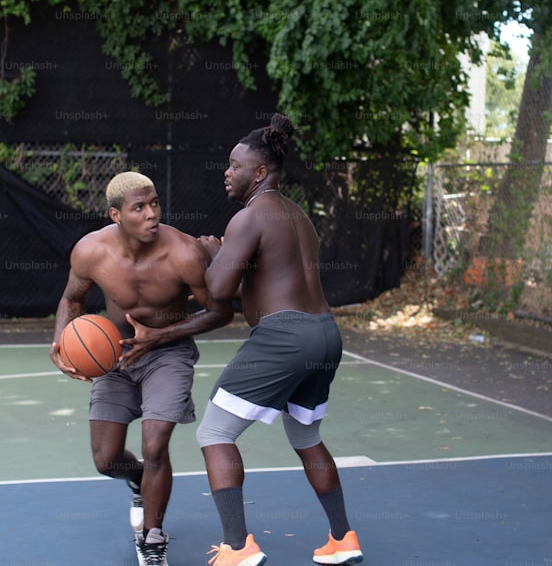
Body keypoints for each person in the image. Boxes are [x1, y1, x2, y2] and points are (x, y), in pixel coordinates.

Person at [196, 114, 363, 566]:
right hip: (326, 334)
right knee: (306, 436)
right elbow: (274, 273)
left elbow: (218, 290)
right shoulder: (299, 215)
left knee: (214, 431)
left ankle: (237, 547)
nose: (226, 172)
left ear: (260, 172)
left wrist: (215, 253)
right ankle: (342, 538)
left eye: (235, 165)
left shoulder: (248, 217)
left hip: (284, 336)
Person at [50, 171, 233, 566]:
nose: (152, 214)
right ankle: (136, 480)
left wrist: (160, 337)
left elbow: (221, 312)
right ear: (116, 215)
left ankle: (152, 539)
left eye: (155, 204)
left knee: (155, 445)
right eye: (139, 208)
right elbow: (71, 299)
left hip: (169, 354)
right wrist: (61, 339)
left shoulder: (183, 253)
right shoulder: (90, 251)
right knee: (105, 459)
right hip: (116, 355)